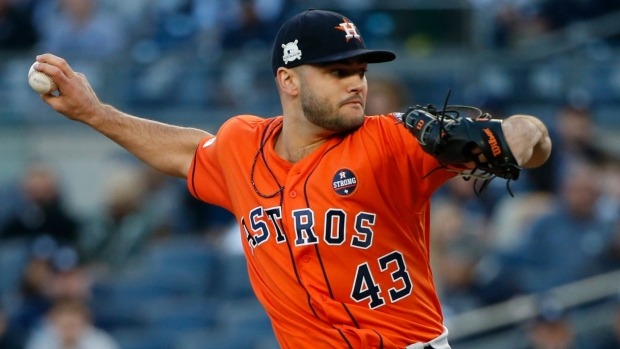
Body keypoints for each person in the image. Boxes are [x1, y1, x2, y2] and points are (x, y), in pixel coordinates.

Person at [31, 8, 551, 349]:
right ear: (288, 80)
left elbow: (530, 137)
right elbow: (186, 151)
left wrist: (518, 137)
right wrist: (96, 114)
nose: (357, 84)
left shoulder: (395, 141)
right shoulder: (241, 145)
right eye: (338, 72)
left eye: (361, 72)